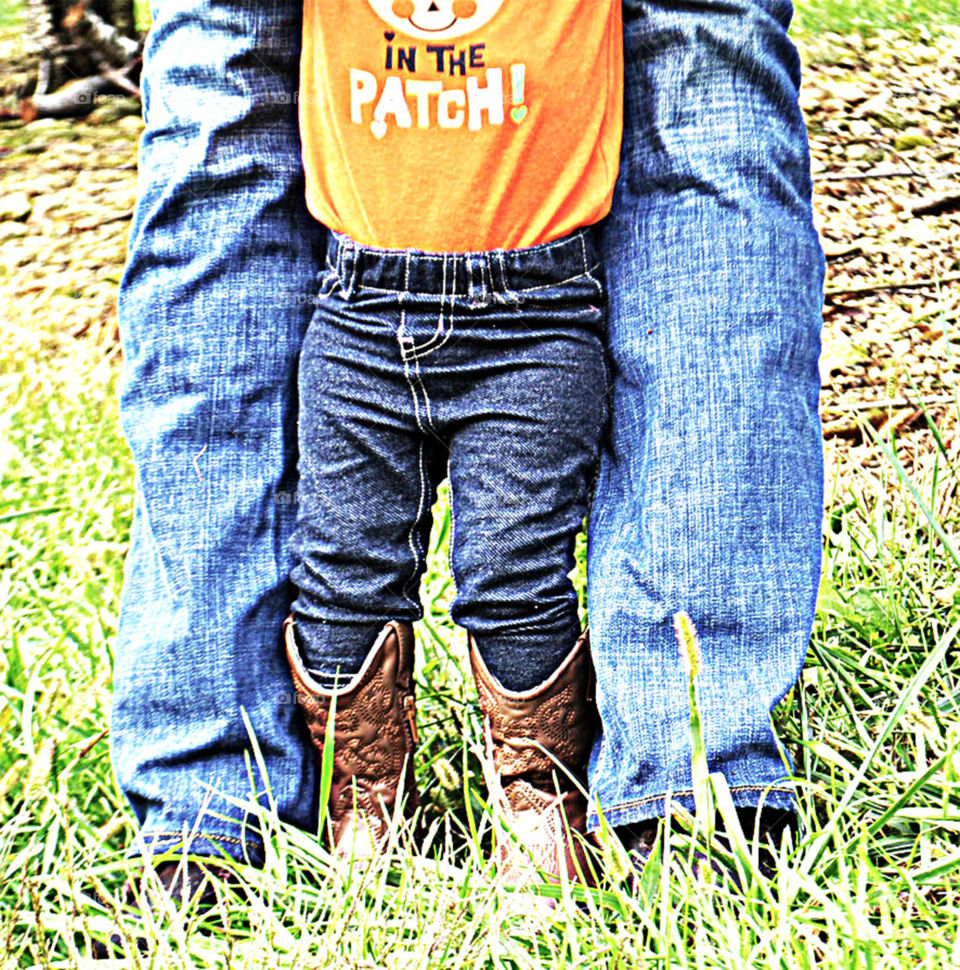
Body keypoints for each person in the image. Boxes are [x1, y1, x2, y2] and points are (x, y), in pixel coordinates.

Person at [110, 0, 823, 896]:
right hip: (366, 309)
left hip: (533, 307)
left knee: (229, 76)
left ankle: (225, 802)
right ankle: (692, 794)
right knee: (697, 59)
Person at [281, 1, 620, 877]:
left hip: (536, 315)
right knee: (343, 573)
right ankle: (365, 810)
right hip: (358, 307)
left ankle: (538, 809)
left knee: (517, 573)